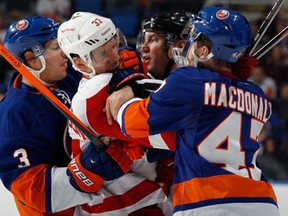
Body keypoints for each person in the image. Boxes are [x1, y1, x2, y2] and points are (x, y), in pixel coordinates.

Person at [105, 7, 279, 216]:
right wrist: (232, 79)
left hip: (208, 203)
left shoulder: (188, 80)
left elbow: (130, 122)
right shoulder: (258, 95)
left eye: (194, 39)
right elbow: (223, 104)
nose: (188, 45)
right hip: (263, 203)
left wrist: (130, 84)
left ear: (204, 51)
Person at [0, 16, 133, 216]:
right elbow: (33, 190)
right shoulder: (13, 118)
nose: (65, 52)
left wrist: (128, 82)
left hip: (104, 203)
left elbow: (122, 60)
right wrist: (86, 170)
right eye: (56, 46)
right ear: (31, 58)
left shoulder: (66, 70)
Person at [58, 11, 174, 215]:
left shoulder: (115, 75)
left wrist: (134, 81)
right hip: (121, 205)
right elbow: (171, 134)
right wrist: (137, 82)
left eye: (114, 44)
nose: (115, 56)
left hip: (141, 197)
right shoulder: (92, 95)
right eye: (103, 53)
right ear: (80, 63)